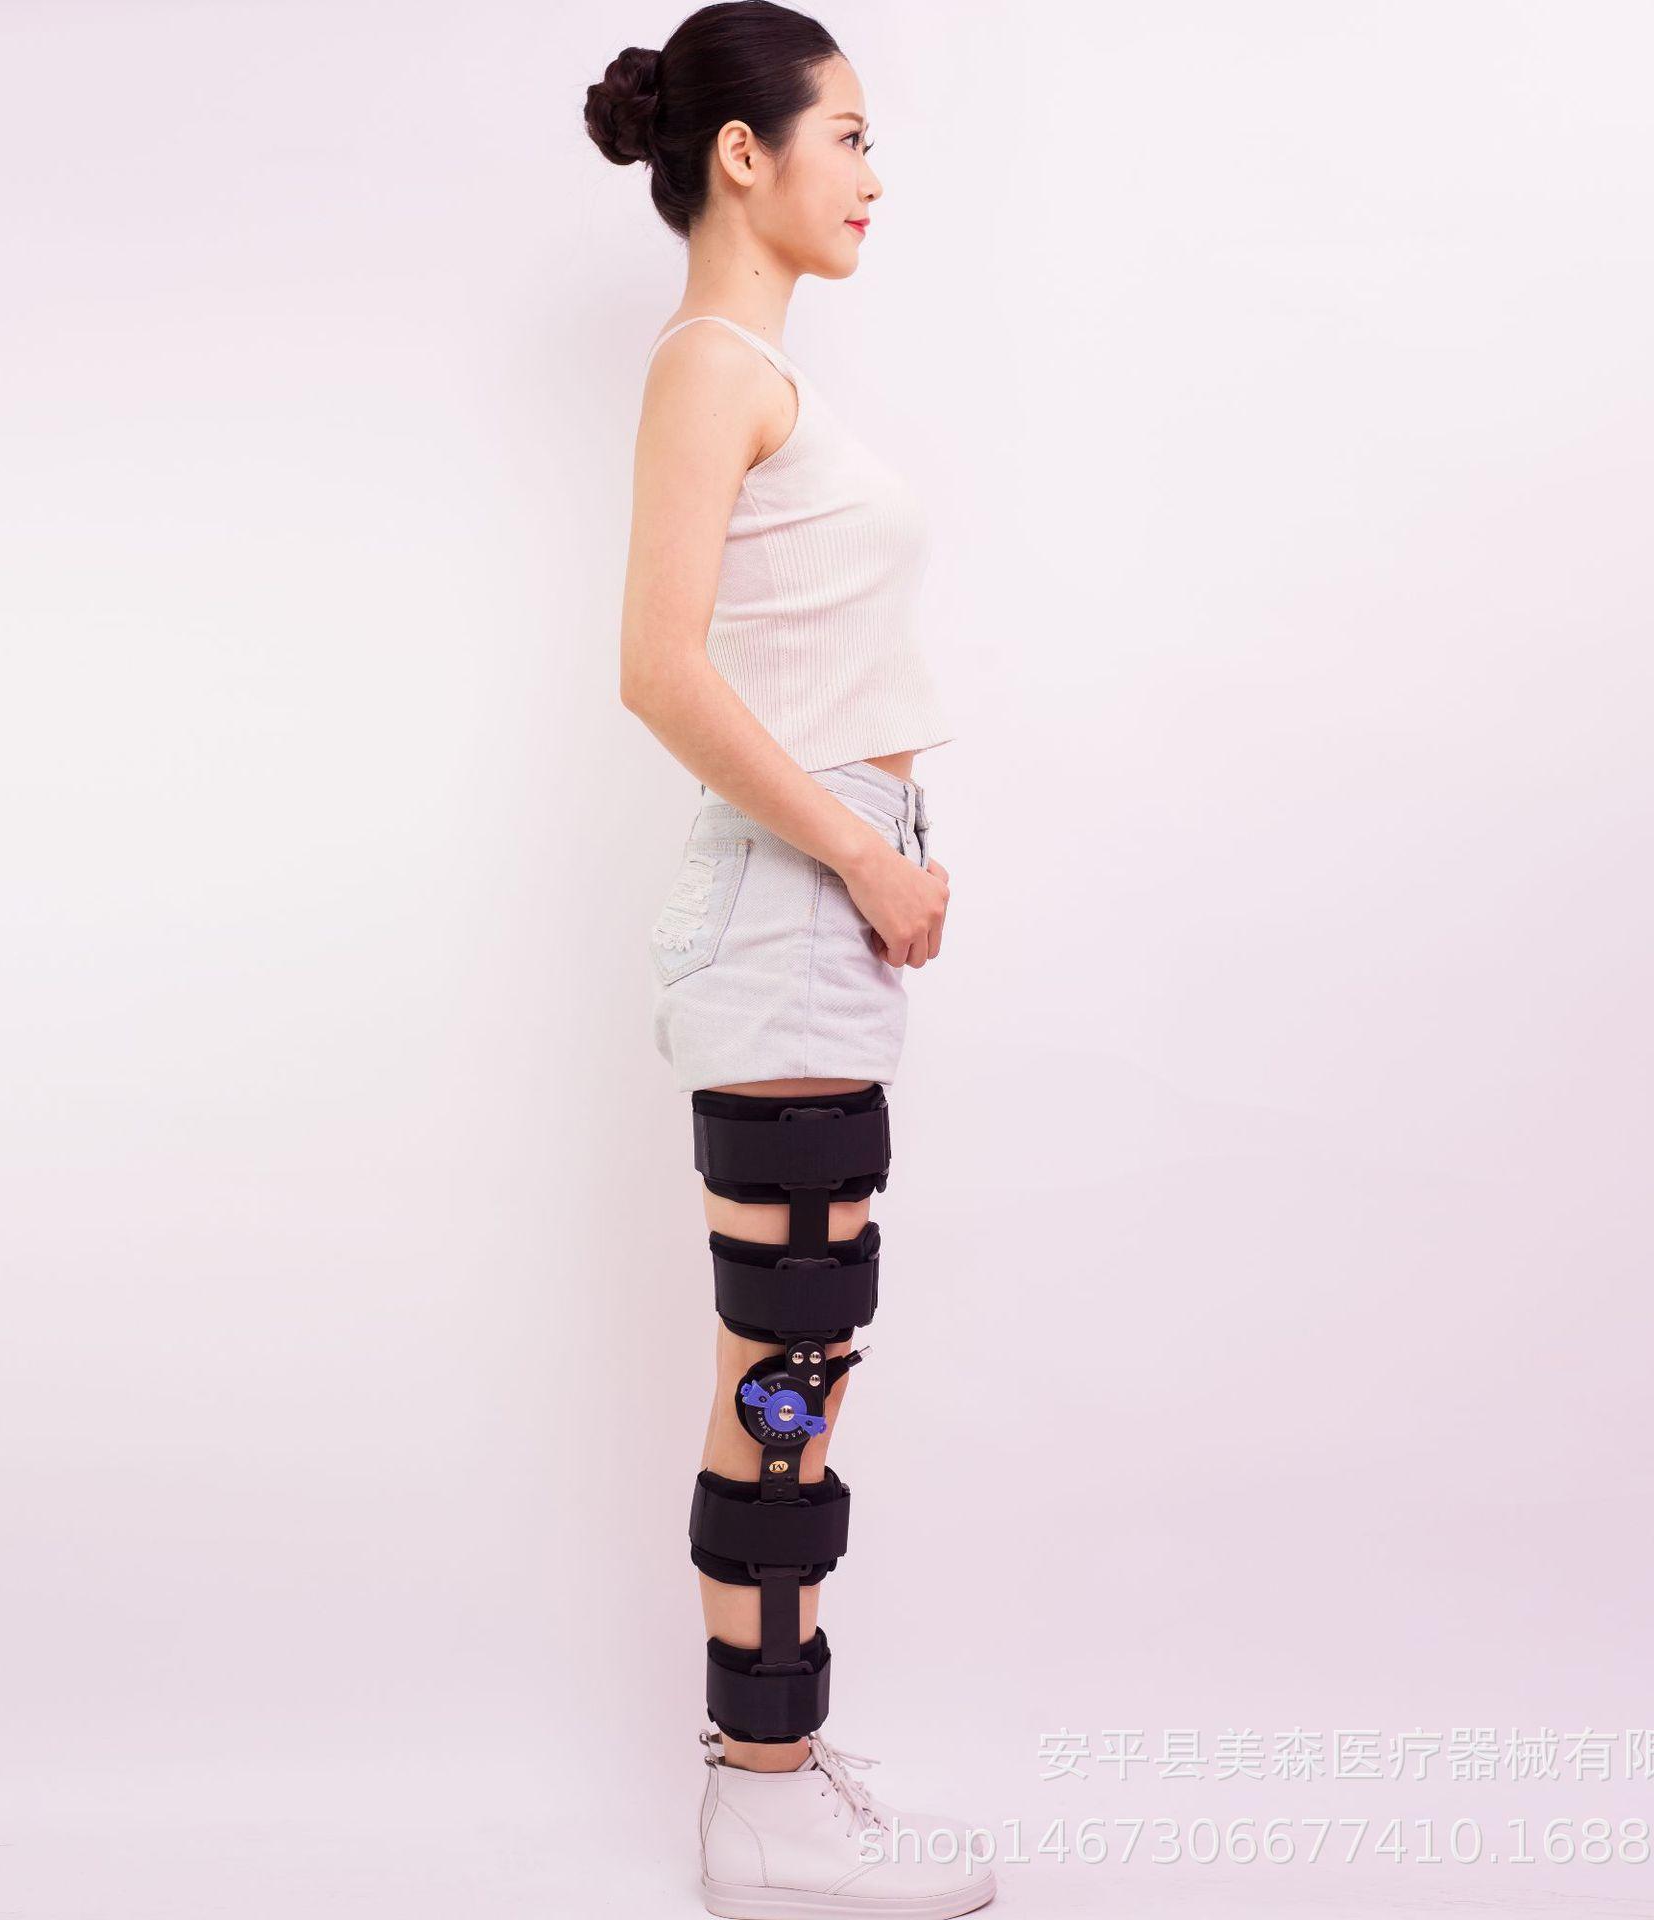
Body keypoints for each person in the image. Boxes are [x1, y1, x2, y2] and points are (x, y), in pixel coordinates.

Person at [587, 6, 996, 1916]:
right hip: (793, 887)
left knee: (804, 1345)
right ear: (742, 155)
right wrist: (857, 852)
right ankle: (761, 1801)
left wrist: (872, 856)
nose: (873, 175)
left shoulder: (753, 373)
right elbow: (657, 670)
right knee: (791, 1352)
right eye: (846, 135)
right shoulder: (711, 365)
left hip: (821, 891)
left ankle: (772, 1772)